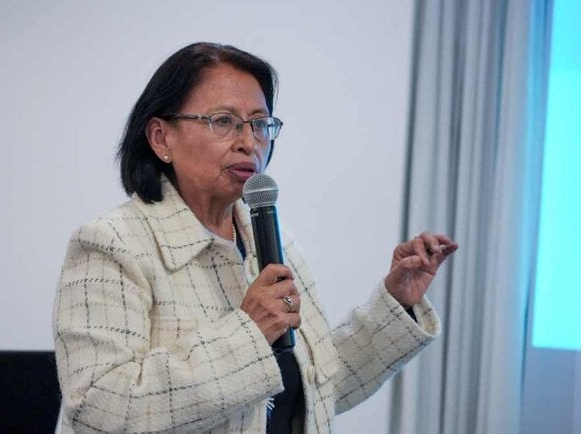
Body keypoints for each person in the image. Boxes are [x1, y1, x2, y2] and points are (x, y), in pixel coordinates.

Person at [53, 42, 458, 434]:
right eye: (223, 121)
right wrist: (249, 333)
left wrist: (396, 303)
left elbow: (318, 390)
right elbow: (99, 409)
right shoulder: (112, 244)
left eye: (260, 124)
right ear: (161, 138)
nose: (249, 142)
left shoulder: (277, 244)